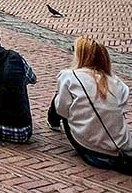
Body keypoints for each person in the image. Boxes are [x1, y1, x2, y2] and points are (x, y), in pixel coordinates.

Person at [48, 38, 131, 172]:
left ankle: (53, 123)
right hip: (121, 146)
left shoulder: (69, 76)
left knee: (59, 98)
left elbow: (62, 110)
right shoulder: (119, 83)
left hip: (90, 148)